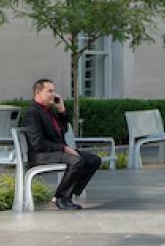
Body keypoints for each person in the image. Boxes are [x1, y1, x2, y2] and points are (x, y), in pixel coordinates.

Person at [19, 78, 104, 210]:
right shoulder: (33, 113)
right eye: (49, 91)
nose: (53, 94)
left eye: (53, 91)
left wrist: (61, 110)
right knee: (76, 160)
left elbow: (63, 130)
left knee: (94, 160)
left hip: (55, 152)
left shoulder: (48, 110)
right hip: (41, 155)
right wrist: (63, 148)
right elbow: (37, 143)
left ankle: (67, 193)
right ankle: (62, 198)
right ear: (38, 92)